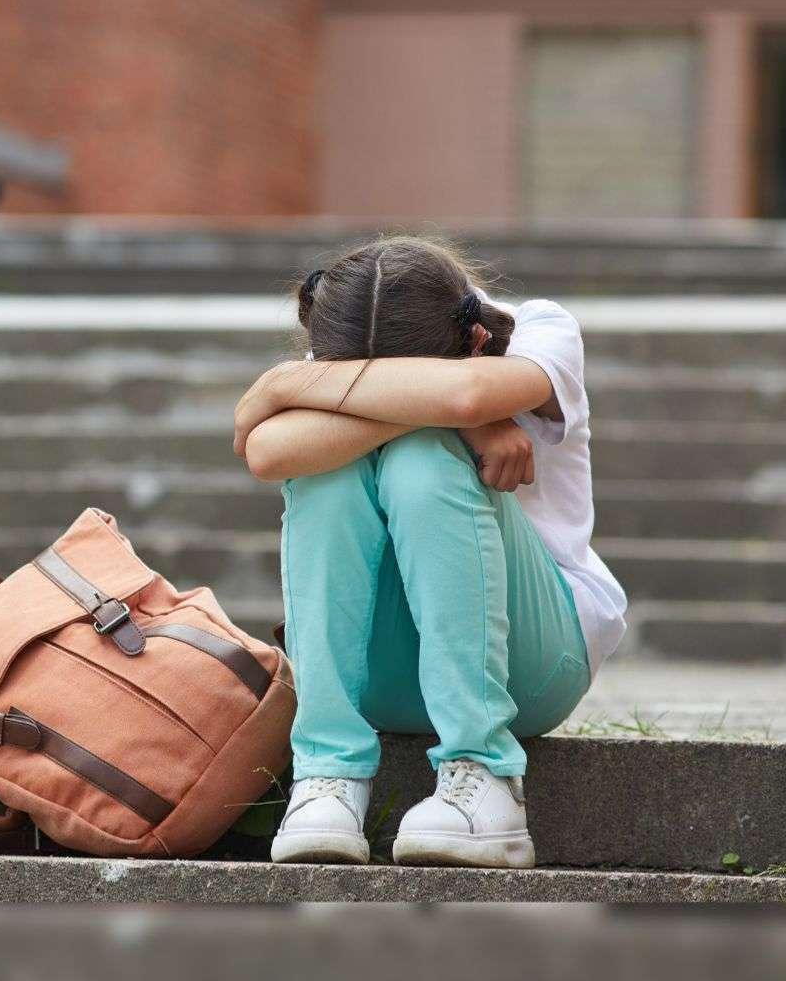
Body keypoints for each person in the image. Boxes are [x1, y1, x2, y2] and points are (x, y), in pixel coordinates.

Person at [232, 235, 628, 869]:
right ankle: (326, 776)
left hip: (533, 663)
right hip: (386, 675)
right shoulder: (352, 337)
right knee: (324, 473)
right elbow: (269, 454)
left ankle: (486, 774)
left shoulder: (539, 330)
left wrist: (287, 386)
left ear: (474, 344)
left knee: (421, 458)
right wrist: (449, 412)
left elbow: (466, 397)